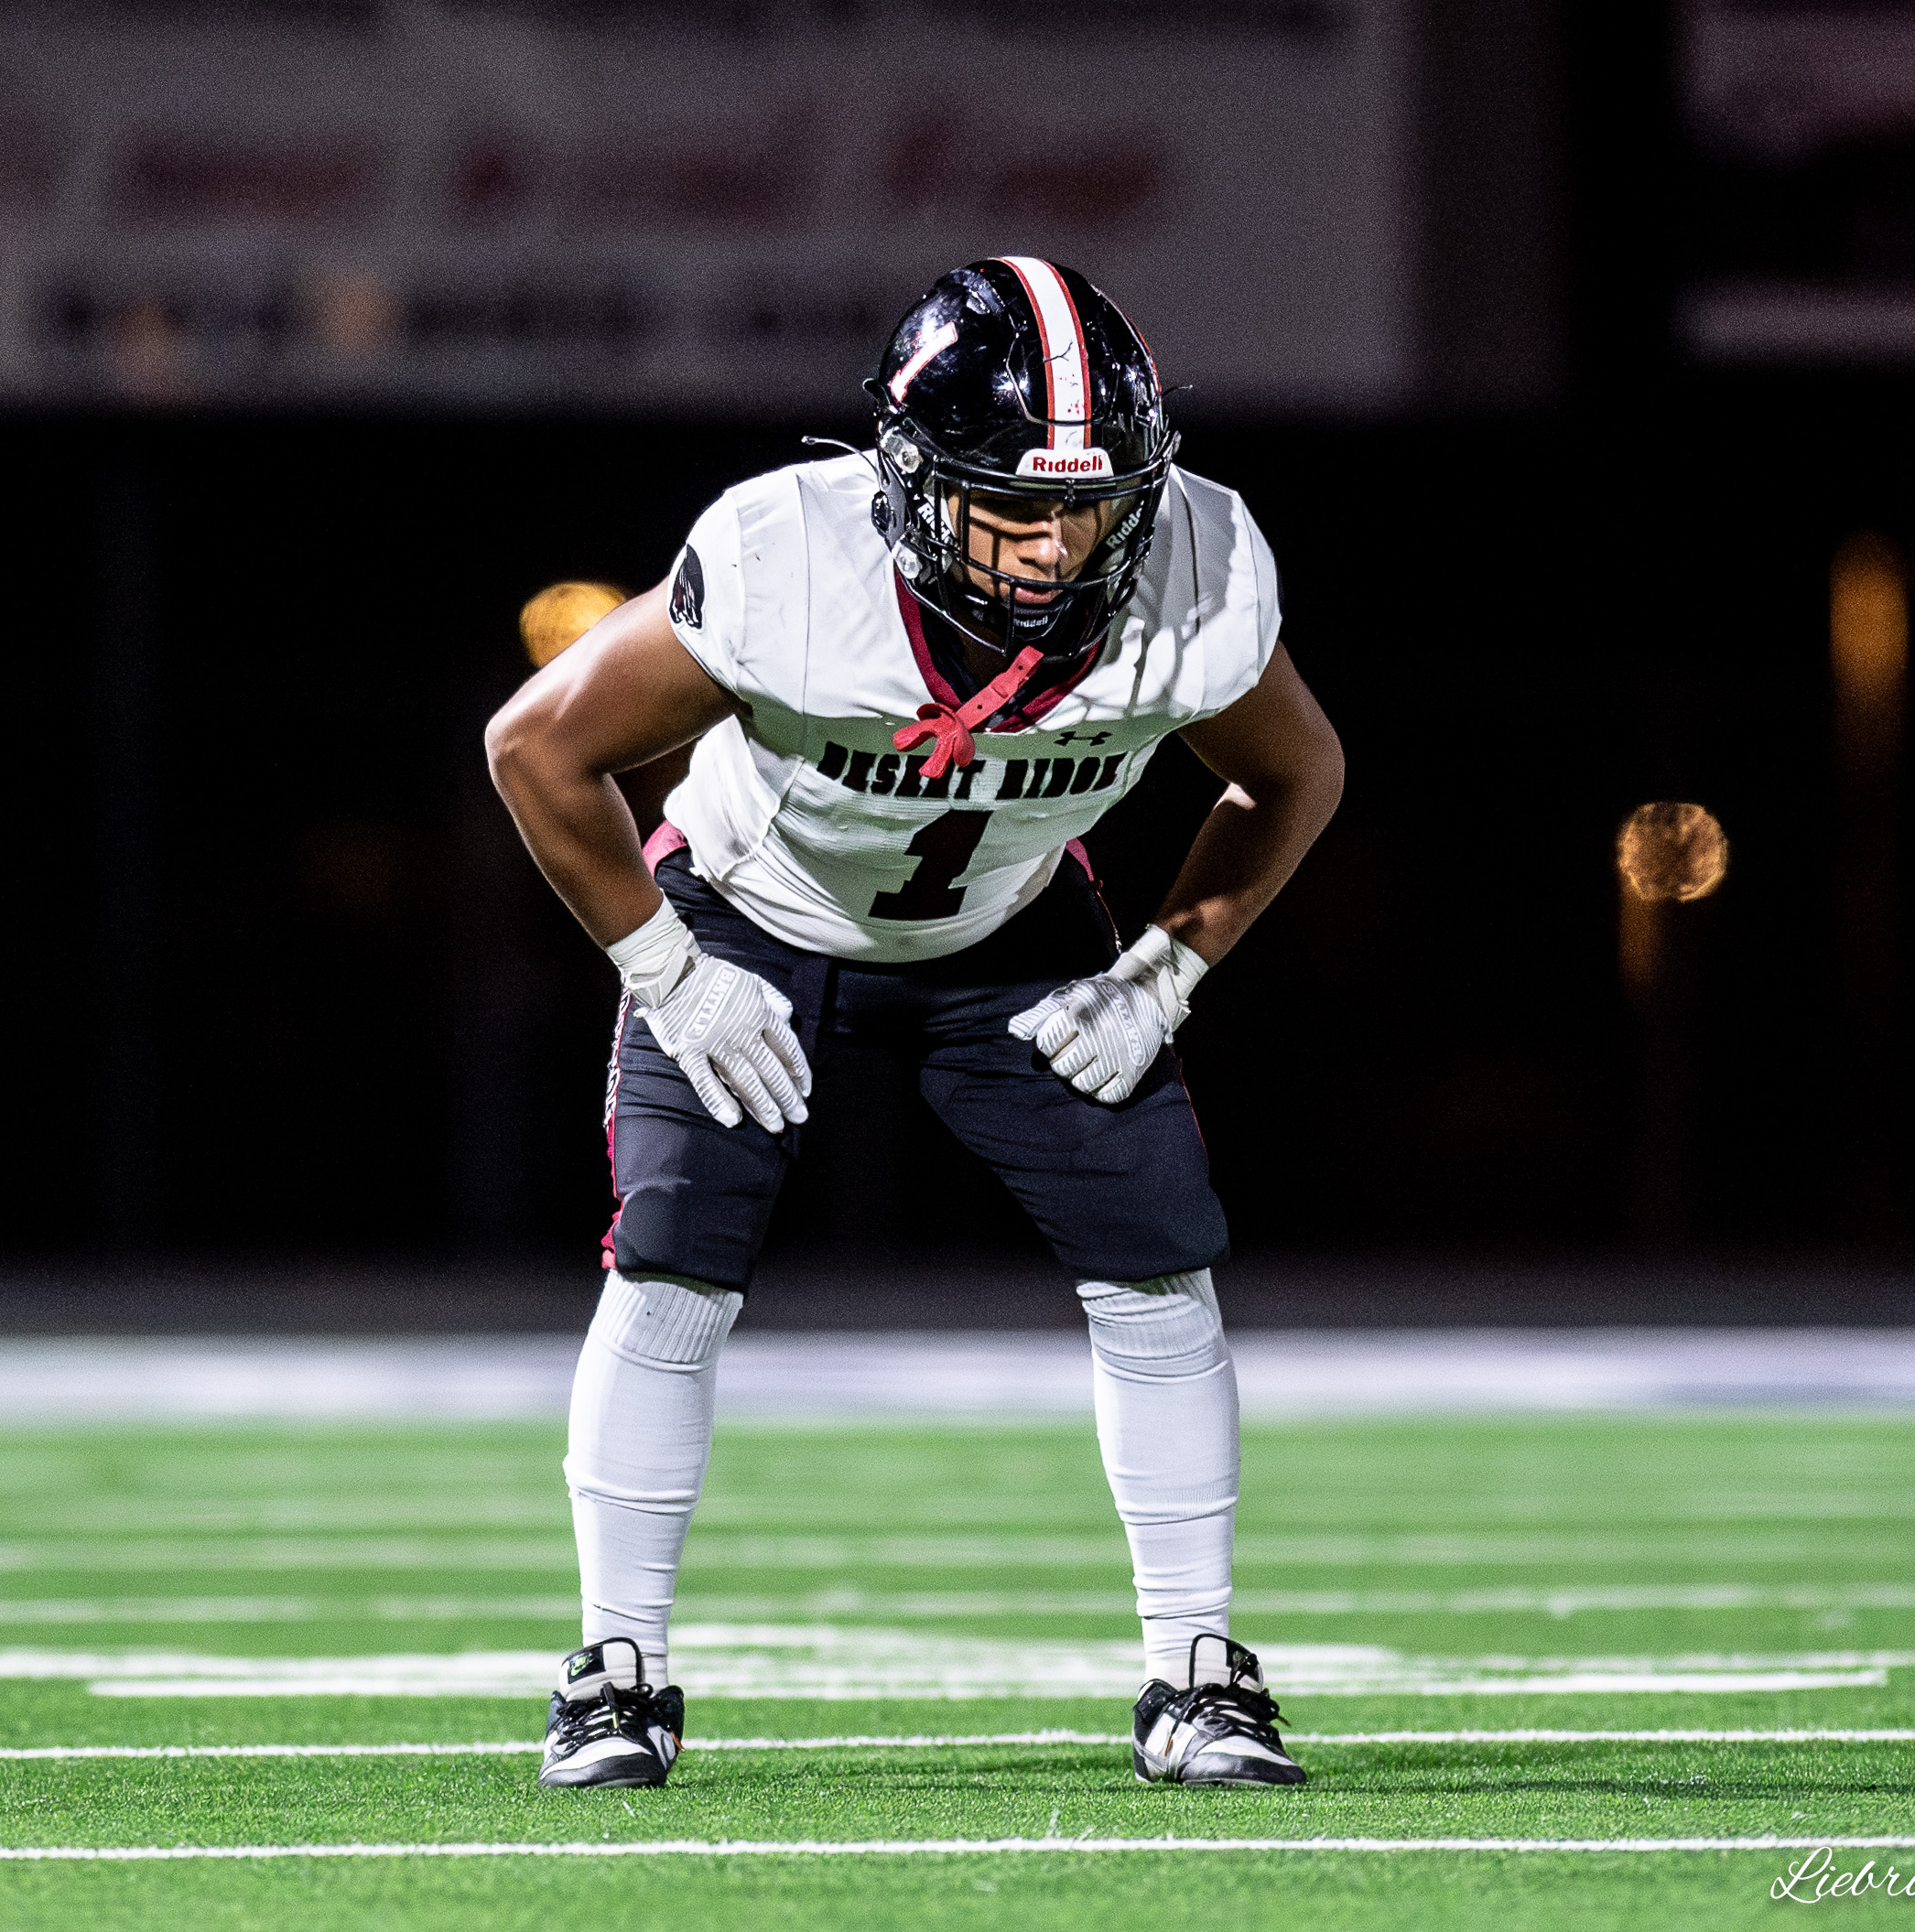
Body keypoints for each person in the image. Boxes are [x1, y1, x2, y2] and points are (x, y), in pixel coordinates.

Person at [484, 256, 1343, 1790]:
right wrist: (665, 968)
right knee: (672, 1265)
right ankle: (616, 1668)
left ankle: (1197, 1670)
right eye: (1010, 504)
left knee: (1160, 1265)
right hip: (750, 912)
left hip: (1011, 929)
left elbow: (1295, 773)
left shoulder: (1193, 570)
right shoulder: (789, 561)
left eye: (1089, 508)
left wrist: (1169, 967)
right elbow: (538, 747)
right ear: (909, 478)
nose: (1054, 546)